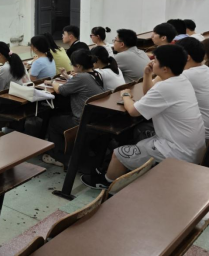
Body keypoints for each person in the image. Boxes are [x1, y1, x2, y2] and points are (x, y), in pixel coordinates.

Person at [81, 45, 205, 190]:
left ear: (165, 69)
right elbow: (150, 93)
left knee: (119, 153)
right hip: (193, 147)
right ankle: (127, 170)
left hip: (178, 152)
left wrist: (126, 95)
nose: (152, 62)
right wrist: (147, 75)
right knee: (140, 131)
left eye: (156, 60)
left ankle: (107, 183)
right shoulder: (181, 80)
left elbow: (133, 111)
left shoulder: (165, 87)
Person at [43, 49, 105, 166]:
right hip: (96, 118)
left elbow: (60, 90)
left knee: (53, 121)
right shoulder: (96, 74)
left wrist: (53, 82)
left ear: (79, 66)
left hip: (81, 122)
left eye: (73, 65)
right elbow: (80, 84)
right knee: (62, 115)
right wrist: (67, 77)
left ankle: (59, 157)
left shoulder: (81, 78)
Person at [177, 38, 209, 140]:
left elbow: (149, 90)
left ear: (187, 57)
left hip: (202, 134)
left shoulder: (185, 75)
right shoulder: (206, 69)